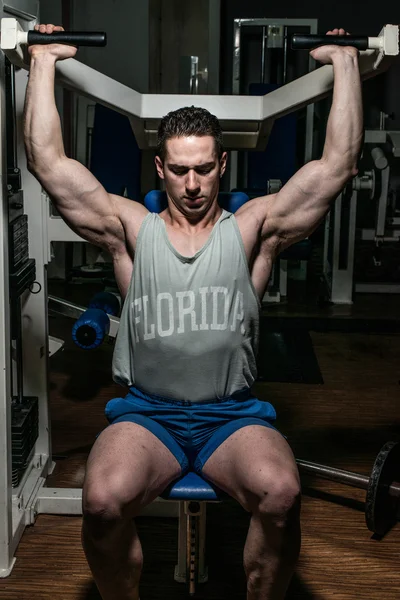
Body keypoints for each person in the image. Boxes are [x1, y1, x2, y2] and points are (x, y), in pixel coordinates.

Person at [24, 23, 362, 600]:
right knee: (102, 503)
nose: (193, 183)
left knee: (281, 493)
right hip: (146, 415)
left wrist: (345, 62)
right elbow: (49, 164)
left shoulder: (254, 229)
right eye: (179, 169)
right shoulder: (131, 230)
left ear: (221, 164)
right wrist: (44, 62)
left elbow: (337, 167)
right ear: (160, 169)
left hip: (231, 416)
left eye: (204, 168)